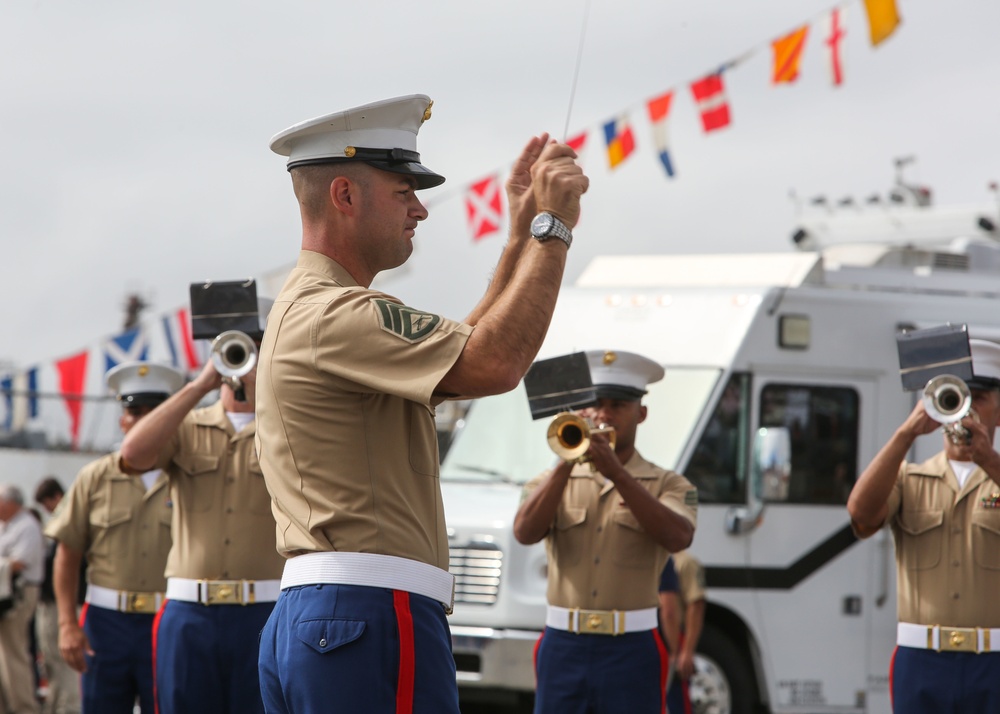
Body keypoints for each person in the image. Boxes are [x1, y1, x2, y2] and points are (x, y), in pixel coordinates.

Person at [254, 93, 589, 714]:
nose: (421, 209)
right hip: (370, 613)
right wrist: (554, 229)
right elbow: (494, 362)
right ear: (345, 196)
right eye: (403, 188)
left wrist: (519, 236)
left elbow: (462, 352)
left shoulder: (316, 308)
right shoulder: (335, 312)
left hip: (336, 612)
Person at [513, 349, 698, 714]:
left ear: (640, 413)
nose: (603, 415)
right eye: (595, 404)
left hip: (631, 647)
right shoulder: (548, 480)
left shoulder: (668, 483)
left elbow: (679, 537)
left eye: (618, 405)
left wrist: (618, 474)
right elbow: (525, 531)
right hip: (563, 643)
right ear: (581, 411)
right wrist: (565, 465)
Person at [118, 344, 284, 714]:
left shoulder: (284, 425)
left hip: (266, 610)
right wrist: (201, 383)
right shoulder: (185, 426)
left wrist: (270, 389)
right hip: (190, 612)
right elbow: (132, 454)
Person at [847, 338, 1000, 712]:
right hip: (921, 658)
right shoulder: (909, 479)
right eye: (954, 397)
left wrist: (990, 461)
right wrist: (906, 433)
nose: (966, 411)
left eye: (977, 398)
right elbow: (861, 514)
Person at [43, 362, 184, 713]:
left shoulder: (189, 476)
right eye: (134, 411)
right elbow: (67, 553)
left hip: (169, 619)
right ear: (122, 419)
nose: (142, 420)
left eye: (154, 412)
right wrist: (67, 624)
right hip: (106, 624)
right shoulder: (94, 477)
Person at [32, 478, 80, 714]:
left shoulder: (72, 524)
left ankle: (67, 707)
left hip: (63, 604)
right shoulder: (60, 523)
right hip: (50, 602)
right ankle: (56, 705)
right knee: (51, 660)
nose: (47, 510)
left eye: (47, 504)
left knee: (65, 663)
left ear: (57, 497)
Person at [0, 484, 45, 714]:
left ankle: (24, 707)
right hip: (5, 594)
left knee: (14, 654)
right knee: (4, 656)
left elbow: (20, 563)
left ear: (9, 502)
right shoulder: (6, 525)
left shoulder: (27, 525)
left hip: (18, 595)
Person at [658, 551, 706, 714]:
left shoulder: (683, 562)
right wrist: (680, 651)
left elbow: (694, 606)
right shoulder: (679, 562)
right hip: (668, 639)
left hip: (656, 638)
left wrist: (685, 650)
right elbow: (671, 611)